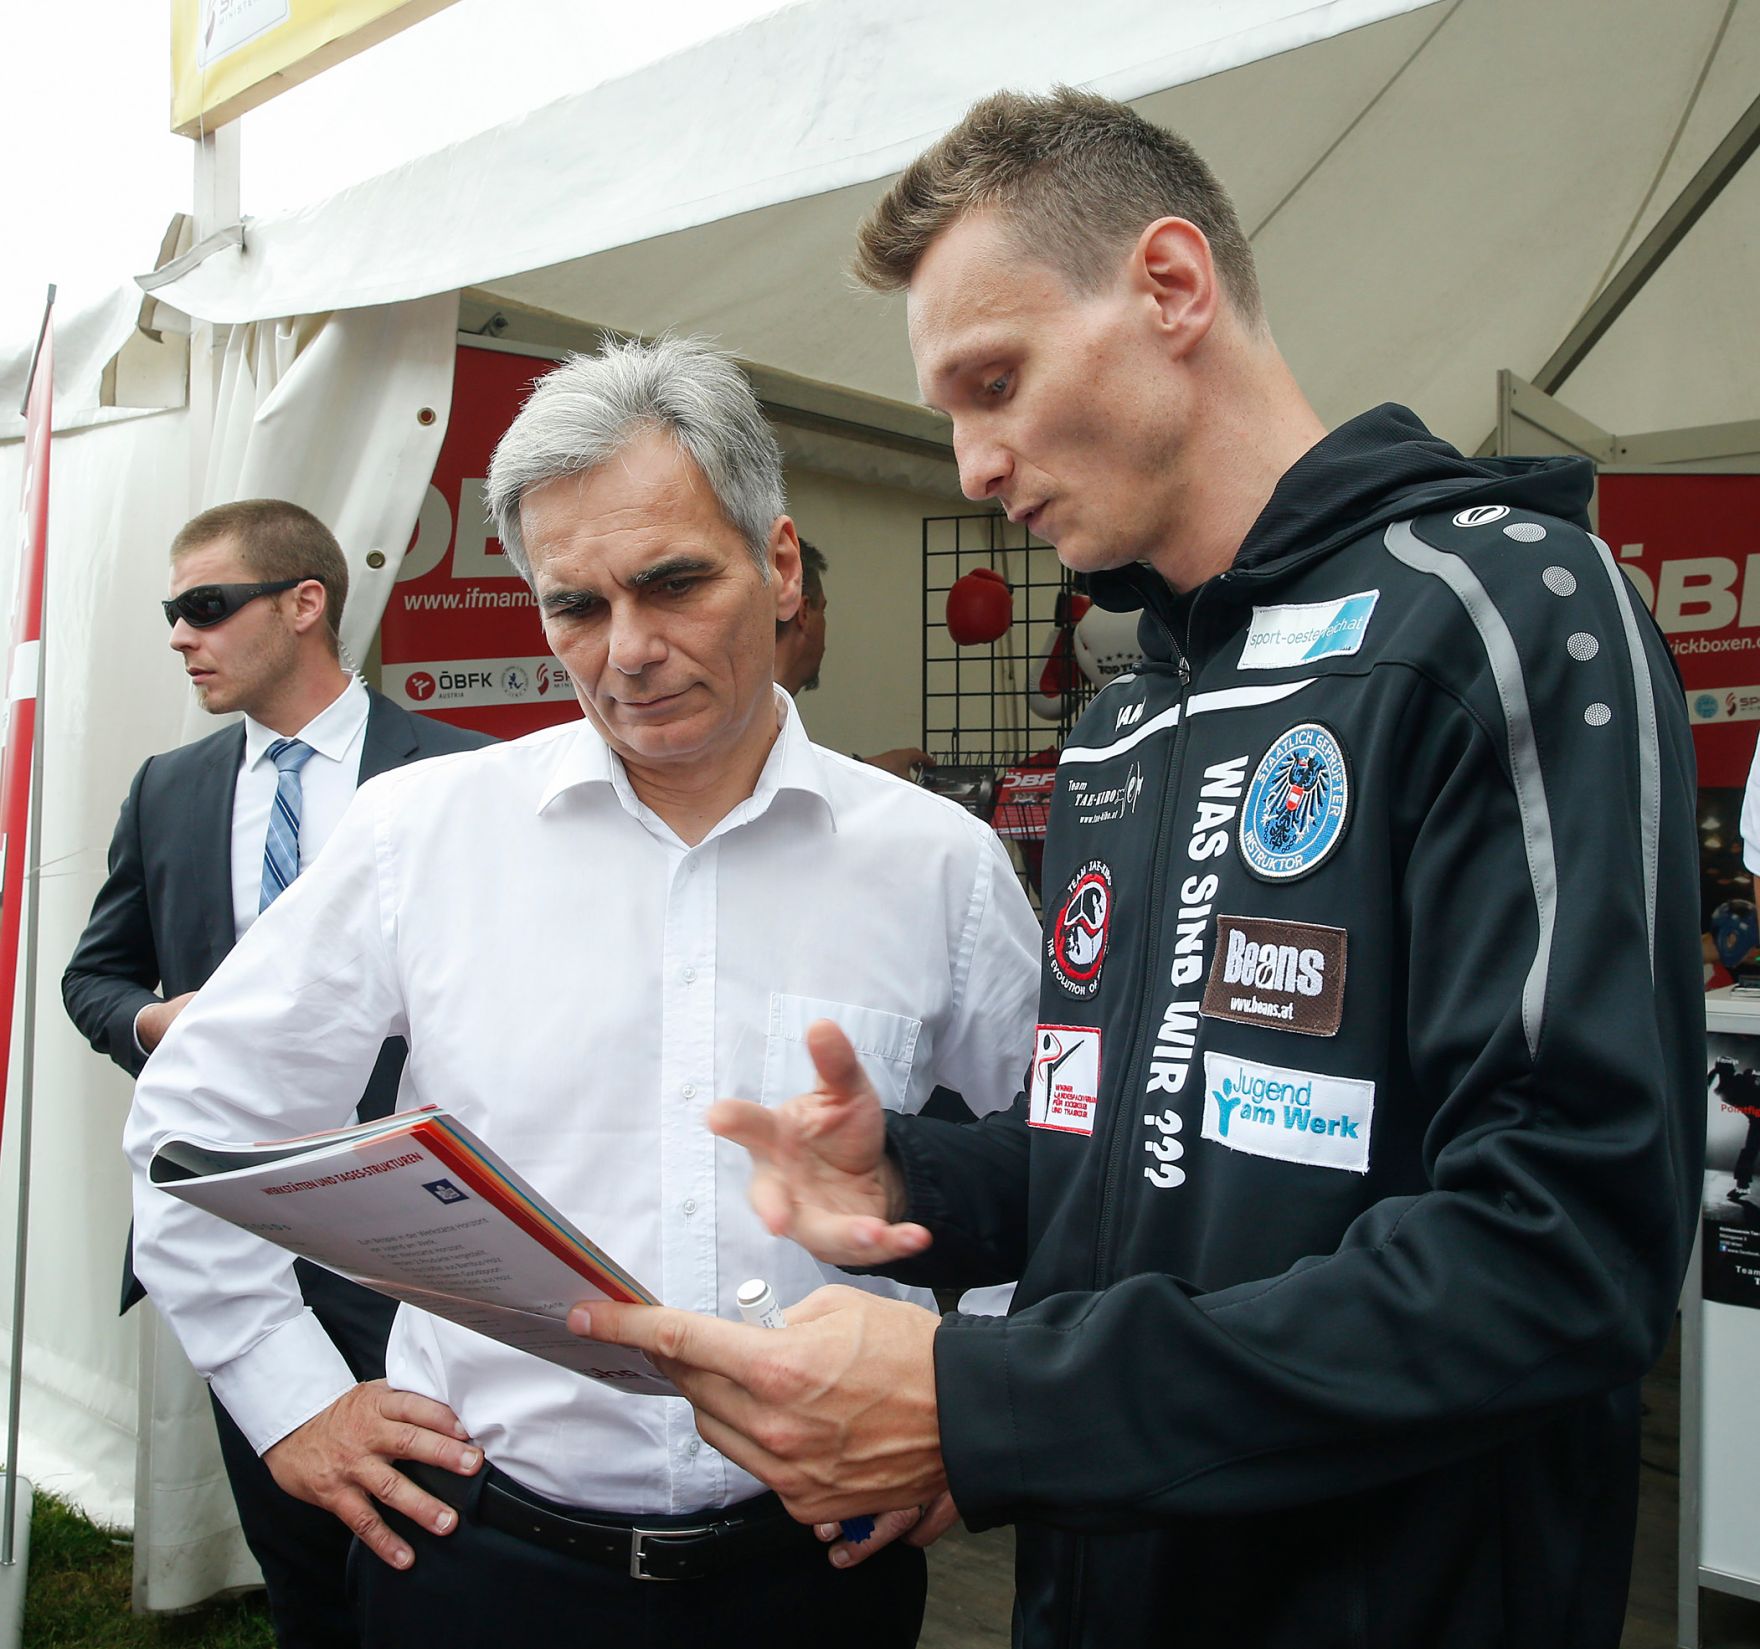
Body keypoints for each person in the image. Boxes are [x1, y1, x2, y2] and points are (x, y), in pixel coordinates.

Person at [573, 89, 1706, 1649]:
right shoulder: (1124, 723)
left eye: (995, 380)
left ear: (1171, 287)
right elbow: (1153, 1164)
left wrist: (991, 1409)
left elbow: (1560, 1254)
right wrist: (923, 1173)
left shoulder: (1492, 615)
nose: (970, 465)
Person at [122, 337, 1041, 1649]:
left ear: (778, 566)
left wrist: (972, 1411)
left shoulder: (934, 861)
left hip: (819, 1574)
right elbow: (194, 1119)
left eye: (676, 583)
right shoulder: (423, 834)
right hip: (482, 1563)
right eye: (578, 607)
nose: (632, 651)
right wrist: (292, 1400)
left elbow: (1075, 1158)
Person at [63, 499, 489, 1649]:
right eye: (171, 612)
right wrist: (163, 1023)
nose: (179, 635)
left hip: (421, 1237)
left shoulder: (460, 777)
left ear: (306, 603)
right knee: (300, 1565)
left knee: (434, 1552)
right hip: (240, 1235)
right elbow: (92, 978)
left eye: (204, 606)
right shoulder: (171, 788)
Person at [775, 538, 934, 781]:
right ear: (804, 612)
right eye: (823, 610)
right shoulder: (760, 721)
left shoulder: (756, 718)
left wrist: (867, 770)